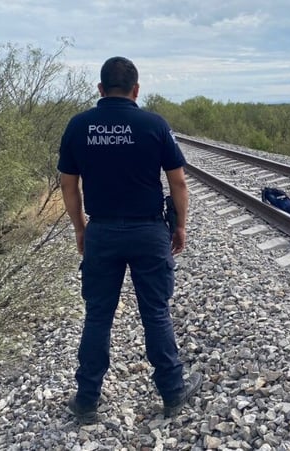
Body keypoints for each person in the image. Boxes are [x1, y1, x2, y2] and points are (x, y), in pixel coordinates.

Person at [58, 56, 201, 423]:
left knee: (98, 316)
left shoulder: (79, 126)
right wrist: (180, 225)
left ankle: (87, 400)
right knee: (155, 312)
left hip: (102, 232)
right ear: (136, 90)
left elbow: (69, 185)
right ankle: (172, 393)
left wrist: (80, 228)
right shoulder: (153, 124)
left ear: (100, 89)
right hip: (149, 232)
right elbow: (178, 183)